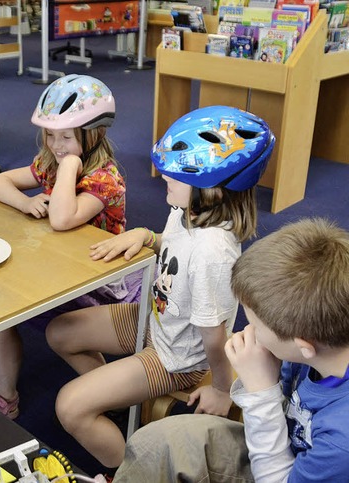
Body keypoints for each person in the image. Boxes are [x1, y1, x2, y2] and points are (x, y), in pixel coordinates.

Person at [45, 105, 275, 469]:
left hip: (178, 359)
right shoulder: (188, 211)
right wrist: (148, 236)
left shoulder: (212, 251)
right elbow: (173, 242)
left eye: (174, 174)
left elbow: (214, 337)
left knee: (69, 407)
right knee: (59, 332)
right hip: (157, 323)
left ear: (212, 187)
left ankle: (132, 472)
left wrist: (220, 389)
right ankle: (115, 400)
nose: (161, 177)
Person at [114, 217, 349, 482]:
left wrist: (261, 390)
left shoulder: (342, 441)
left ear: (304, 345)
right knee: (154, 443)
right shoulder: (316, 345)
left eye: (256, 327)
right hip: (284, 446)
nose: (246, 332)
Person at [0, 74, 130, 418]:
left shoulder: (105, 178)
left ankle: (113, 393)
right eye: (50, 135)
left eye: (66, 136)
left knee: (6, 300)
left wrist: (70, 166)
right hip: (57, 266)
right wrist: (24, 203)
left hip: (96, 282)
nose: (56, 145)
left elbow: (63, 219)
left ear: (96, 134)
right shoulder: (49, 162)